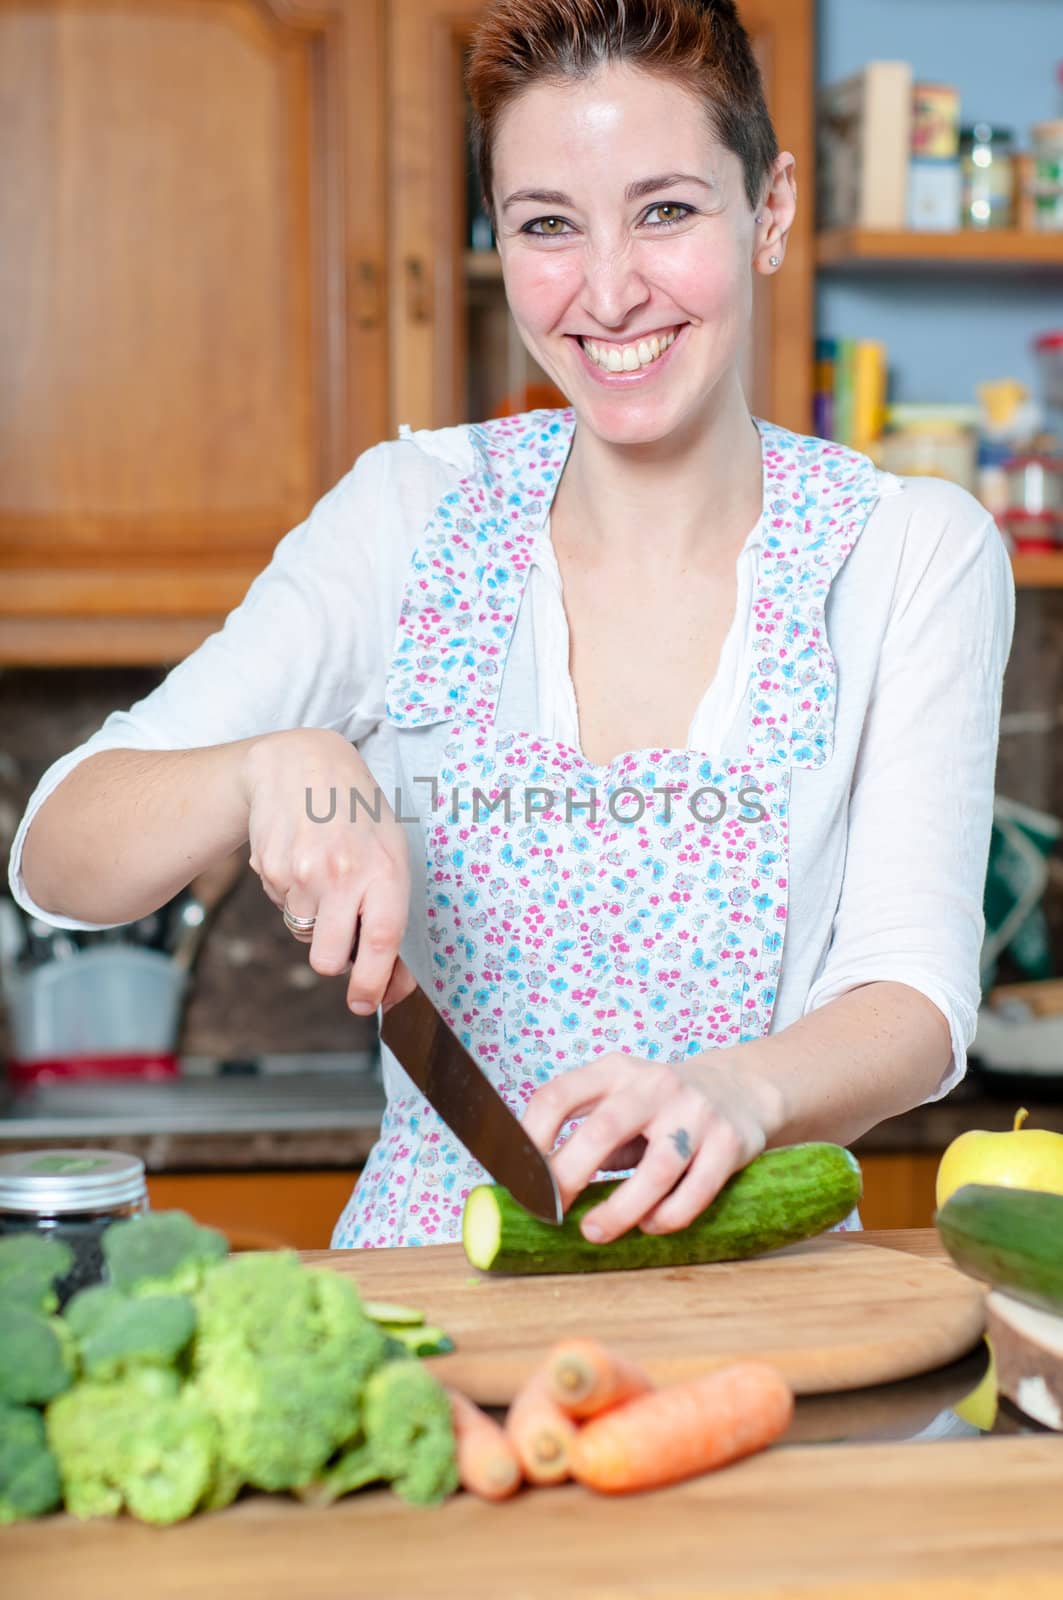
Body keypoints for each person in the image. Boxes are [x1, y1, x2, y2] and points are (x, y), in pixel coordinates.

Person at [9, 0, 1014, 1250]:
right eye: (547, 224)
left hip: (770, 1292)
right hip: (435, 1277)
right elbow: (60, 852)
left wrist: (734, 1092)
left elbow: (914, 998)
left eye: (665, 210)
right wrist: (276, 766)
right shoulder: (405, 514)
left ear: (769, 208)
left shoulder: (912, 550)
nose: (606, 291)